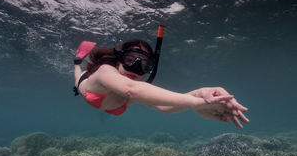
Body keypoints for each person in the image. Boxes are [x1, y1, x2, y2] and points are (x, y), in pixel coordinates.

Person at [73, 34, 249, 128]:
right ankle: (77, 61)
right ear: (119, 59)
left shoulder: (139, 88)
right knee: (77, 75)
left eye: (143, 63)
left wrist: (201, 95)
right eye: (131, 59)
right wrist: (193, 101)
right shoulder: (106, 70)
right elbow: (130, 89)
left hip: (111, 100)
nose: (135, 67)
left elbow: (164, 107)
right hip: (85, 85)